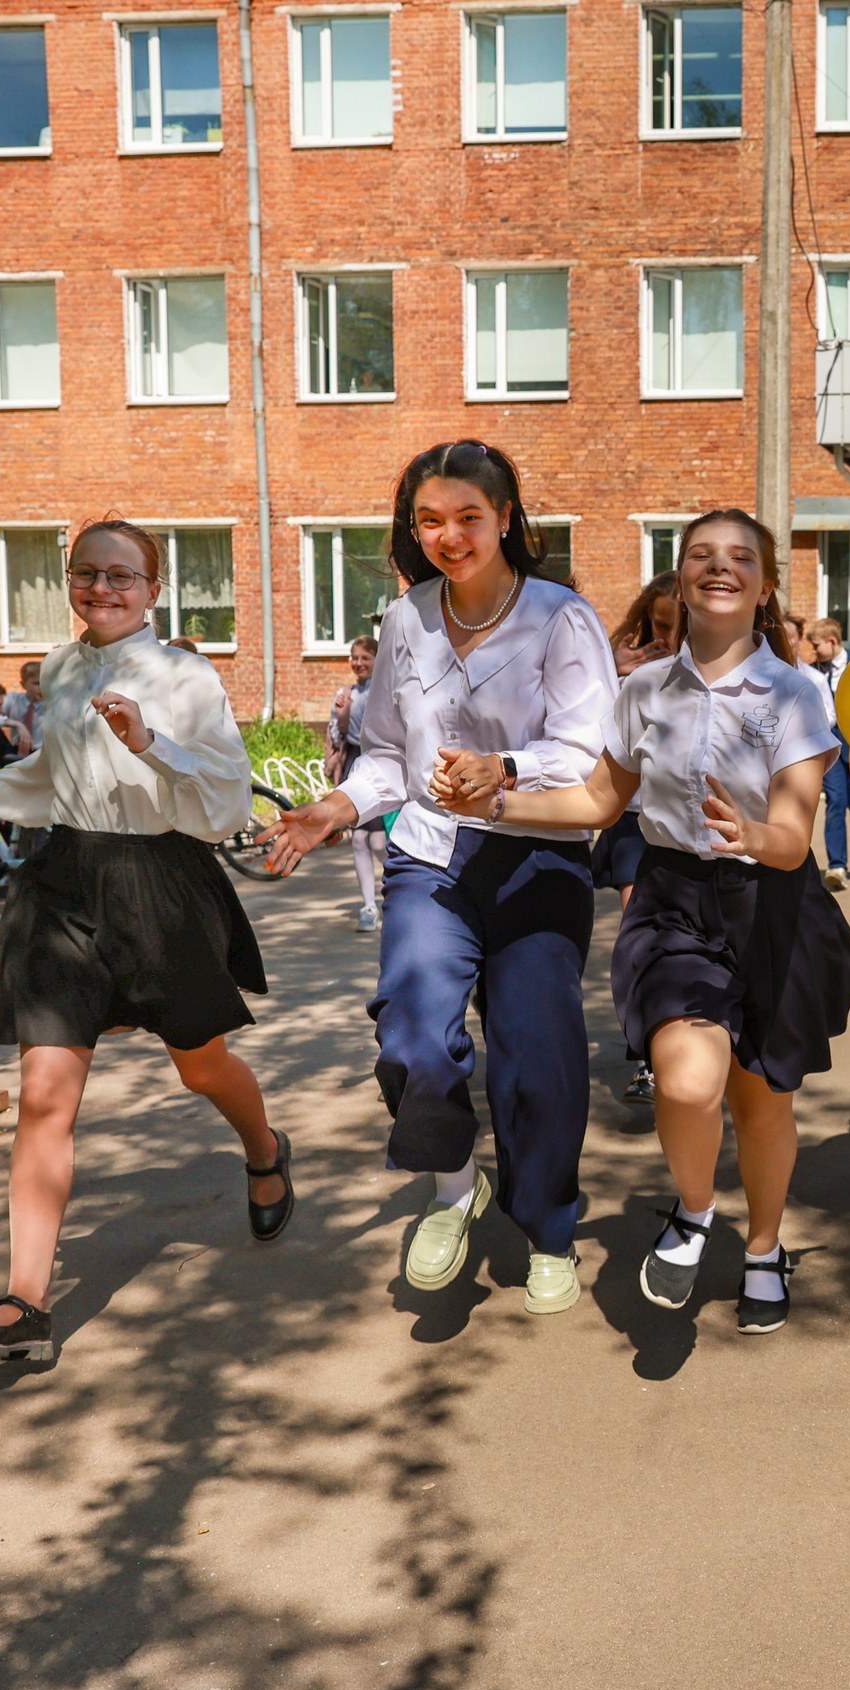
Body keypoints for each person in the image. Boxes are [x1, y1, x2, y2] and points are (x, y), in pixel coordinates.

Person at [432, 509, 850, 1336]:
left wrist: (755, 836)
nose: (721, 567)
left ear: (766, 583)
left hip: (772, 902)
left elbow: (794, 832)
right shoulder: (643, 690)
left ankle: (764, 1249)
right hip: (674, 899)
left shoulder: (797, 691)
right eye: (701, 556)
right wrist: (498, 799)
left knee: (763, 1105)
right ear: (679, 580)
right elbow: (601, 801)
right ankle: (696, 1212)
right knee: (685, 1080)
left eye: (741, 557)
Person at [0, 519, 288, 1365]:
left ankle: (264, 1149)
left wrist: (149, 743)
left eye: (123, 576)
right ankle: (24, 1302)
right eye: (88, 573)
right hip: (64, 881)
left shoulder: (185, 675)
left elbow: (228, 798)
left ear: (154, 591)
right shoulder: (60, 666)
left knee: (201, 1064)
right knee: (46, 1090)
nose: (103, 589)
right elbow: (55, 770)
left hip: (160, 878)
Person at [265, 441, 614, 1317]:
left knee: (536, 1051)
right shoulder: (406, 619)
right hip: (428, 851)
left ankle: (549, 1227)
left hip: (536, 851)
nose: (450, 536)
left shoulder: (562, 618)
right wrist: (335, 809)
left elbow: (585, 752)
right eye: (430, 520)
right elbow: (388, 748)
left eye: (469, 517)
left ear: (506, 518)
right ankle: (457, 1191)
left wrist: (504, 769)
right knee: (412, 1035)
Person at [595, 572, 682, 1108]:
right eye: (659, 624)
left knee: (681, 945)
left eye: (679, 626)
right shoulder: (626, 669)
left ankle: (692, 1050)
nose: (668, 637)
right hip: (630, 822)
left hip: (691, 829)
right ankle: (652, 1062)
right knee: (643, 939)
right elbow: (590, 742)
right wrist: (616, 673)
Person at [325, 635, 390, 933]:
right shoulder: (346, 693)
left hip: (380, 766)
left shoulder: (386, 691)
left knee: (377, 842)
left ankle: (398, 888)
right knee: (360, 840)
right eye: (355, 658)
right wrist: (342, 713)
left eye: (366, 657)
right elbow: (339, 737)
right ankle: (368, 906)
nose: (359, 663)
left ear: (378, 659)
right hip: (355, 765)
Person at [806, 617, 850, 890]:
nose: (813, 651)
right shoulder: (812, 672)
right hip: (829, 749)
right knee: (835, 803)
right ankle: (837, 866)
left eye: (817, 645)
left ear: (832, 642)